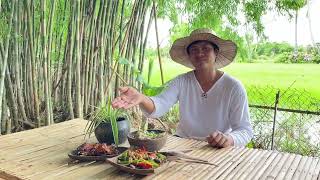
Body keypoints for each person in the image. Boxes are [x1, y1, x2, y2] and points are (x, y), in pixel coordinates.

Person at [112, 28, 253, 148]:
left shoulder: (233, 87)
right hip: (182, 145)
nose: (199, 53)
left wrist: (228, 139)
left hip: (216, 149)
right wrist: (142, 98)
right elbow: (159, 105)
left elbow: (245, 130)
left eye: (206, 49)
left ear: (216, 53)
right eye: (194, 50)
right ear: (189, 56)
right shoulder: (182, 81)